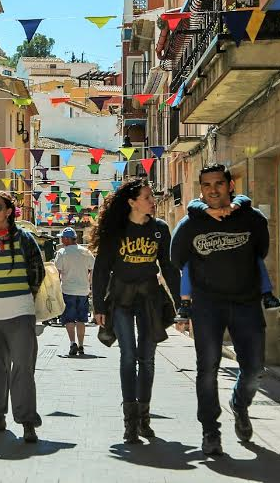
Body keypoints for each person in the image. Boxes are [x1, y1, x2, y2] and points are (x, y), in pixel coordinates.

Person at [171, 164, 271, 456]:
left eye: (218, 183)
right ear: (201, 189)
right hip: (207, 306)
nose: (213, 190)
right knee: (207, 371)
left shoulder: (251, 219)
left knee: (253, 368)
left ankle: (239, 404)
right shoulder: (191, 225)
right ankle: (210, 432)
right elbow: (177, 258)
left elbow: (261, 251)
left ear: (230, 185)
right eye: (206, 185)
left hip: (246, 303)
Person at [91, 178, 180, 444]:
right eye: (147, 197)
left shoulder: (160, 229)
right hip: (121, 299)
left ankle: (144, 418)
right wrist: (99, 306)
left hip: (150, 299)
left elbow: (169, 267)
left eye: (151, 196)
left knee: (148, 359)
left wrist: (181, 304)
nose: (153, 201)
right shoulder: (116, 231)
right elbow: (101, 270)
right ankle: (130, 423)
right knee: (128, 356)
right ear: (132, 202)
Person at [0, 191, 47, 443]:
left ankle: (27, 421)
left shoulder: (25, 239)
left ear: (8, 211)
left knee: (23, 369)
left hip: (20, 313)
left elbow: (37, 271)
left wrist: (26, 295)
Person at [175, 194, 280, 323]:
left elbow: (245, 199)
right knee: (188, 264)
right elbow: (192, 205)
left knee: (254, 257)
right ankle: (185, 305)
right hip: (206, 271)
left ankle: (268, 297)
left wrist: (234, 206)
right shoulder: (195, 213)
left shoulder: (238, 208)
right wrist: (206, 209)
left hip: (237, 267)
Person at [53, 227, 95, 356]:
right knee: (81, 319)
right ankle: (81, 346)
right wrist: (89, 283)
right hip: (83, 291)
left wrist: (56, 287)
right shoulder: (86, 252)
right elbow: (93, 269)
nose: (61, 240)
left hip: (67, 290)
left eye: (62, 238)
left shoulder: (62, 253)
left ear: (66, 239)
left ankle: (72, 343)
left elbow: (57, 272)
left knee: (69, 319)